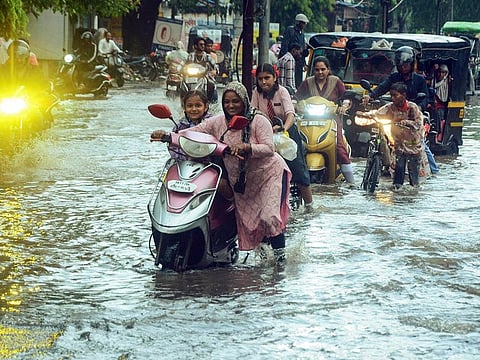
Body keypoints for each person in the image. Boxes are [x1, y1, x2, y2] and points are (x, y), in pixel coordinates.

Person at [151, 81, 292, 265]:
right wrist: (169, 136)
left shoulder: (259, 120)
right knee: (253, 222)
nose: (231, 106)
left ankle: (281, 262)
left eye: (236, 101)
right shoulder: (218, 121)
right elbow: (195, 132)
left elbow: (269, 148)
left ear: (244, 101)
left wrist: (247, 147)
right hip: (243, 182)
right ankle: (263, 258)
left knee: (268, 217)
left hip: (268, 174)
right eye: (227, 102)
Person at [362, 46, 438, 173]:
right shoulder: (394, 77)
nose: (404, 67)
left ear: (412, 64)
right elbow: (382, 87)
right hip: (395, 116)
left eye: (406, 65)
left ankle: (434, 170)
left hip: (412, 116)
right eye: (401, 65)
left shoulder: (419, 80)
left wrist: (417, 108)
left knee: (421, 143)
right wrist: (370, 96)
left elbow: (425, 98)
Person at [251, 63, 314, 212]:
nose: (264, 82)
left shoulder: (282, 91)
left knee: (298, 169)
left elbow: (290, 114)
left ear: (275, 77)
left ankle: (310, 206)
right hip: (265, 134)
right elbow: (253, 112)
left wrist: (284, 129)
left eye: (267, 78)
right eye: (260, 79)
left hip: (287, 132)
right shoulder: (256, 93)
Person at [295, 56, 355, 185]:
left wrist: (343, 106)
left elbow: (345, 97)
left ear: (328, 70)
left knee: (339, 148)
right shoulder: (307, 82)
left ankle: (352, 182)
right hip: (308, 121)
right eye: (317, 70)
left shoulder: (336, 81)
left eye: (323, 69)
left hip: (331, 120)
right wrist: (293, 104)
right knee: (295, 146)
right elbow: (297, 98)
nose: (320, 72)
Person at [375, 82, 423, 190]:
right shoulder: (390, 107)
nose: (392, 98)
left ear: (403, 95)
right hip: (399, 145)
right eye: (391, 95)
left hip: (413, 145)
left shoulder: (412, 107)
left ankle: (413, 193)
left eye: (395, 95)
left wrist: (407, 122)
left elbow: (418, 124)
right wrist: (366, 114)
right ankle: (397, 194)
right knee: (399, 171)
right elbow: (378, 113)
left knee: (413, 176)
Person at [278, 13, 309, 89]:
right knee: (288, 80)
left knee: (298, 81)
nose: (304, 25)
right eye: (303, 23)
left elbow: (302, 48)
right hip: (290, 60)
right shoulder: (290, 31)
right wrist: (284, 58)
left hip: (299, 62)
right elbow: (285, 45)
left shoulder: (302, 34)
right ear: (299, 22)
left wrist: (304, 63)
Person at [186, 36, 218, 102]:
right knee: (182, 83)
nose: (203, 46)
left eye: (204, 44)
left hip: (204, 76)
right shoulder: (190, 56)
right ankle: (183, 100)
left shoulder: (207, 56)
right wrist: (180, 69)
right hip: (190, 76)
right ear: (195, 46)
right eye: (201, 44)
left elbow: (215, 65)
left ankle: (210, 101)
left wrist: (215, 71)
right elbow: (184, 64)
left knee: (212, 84)